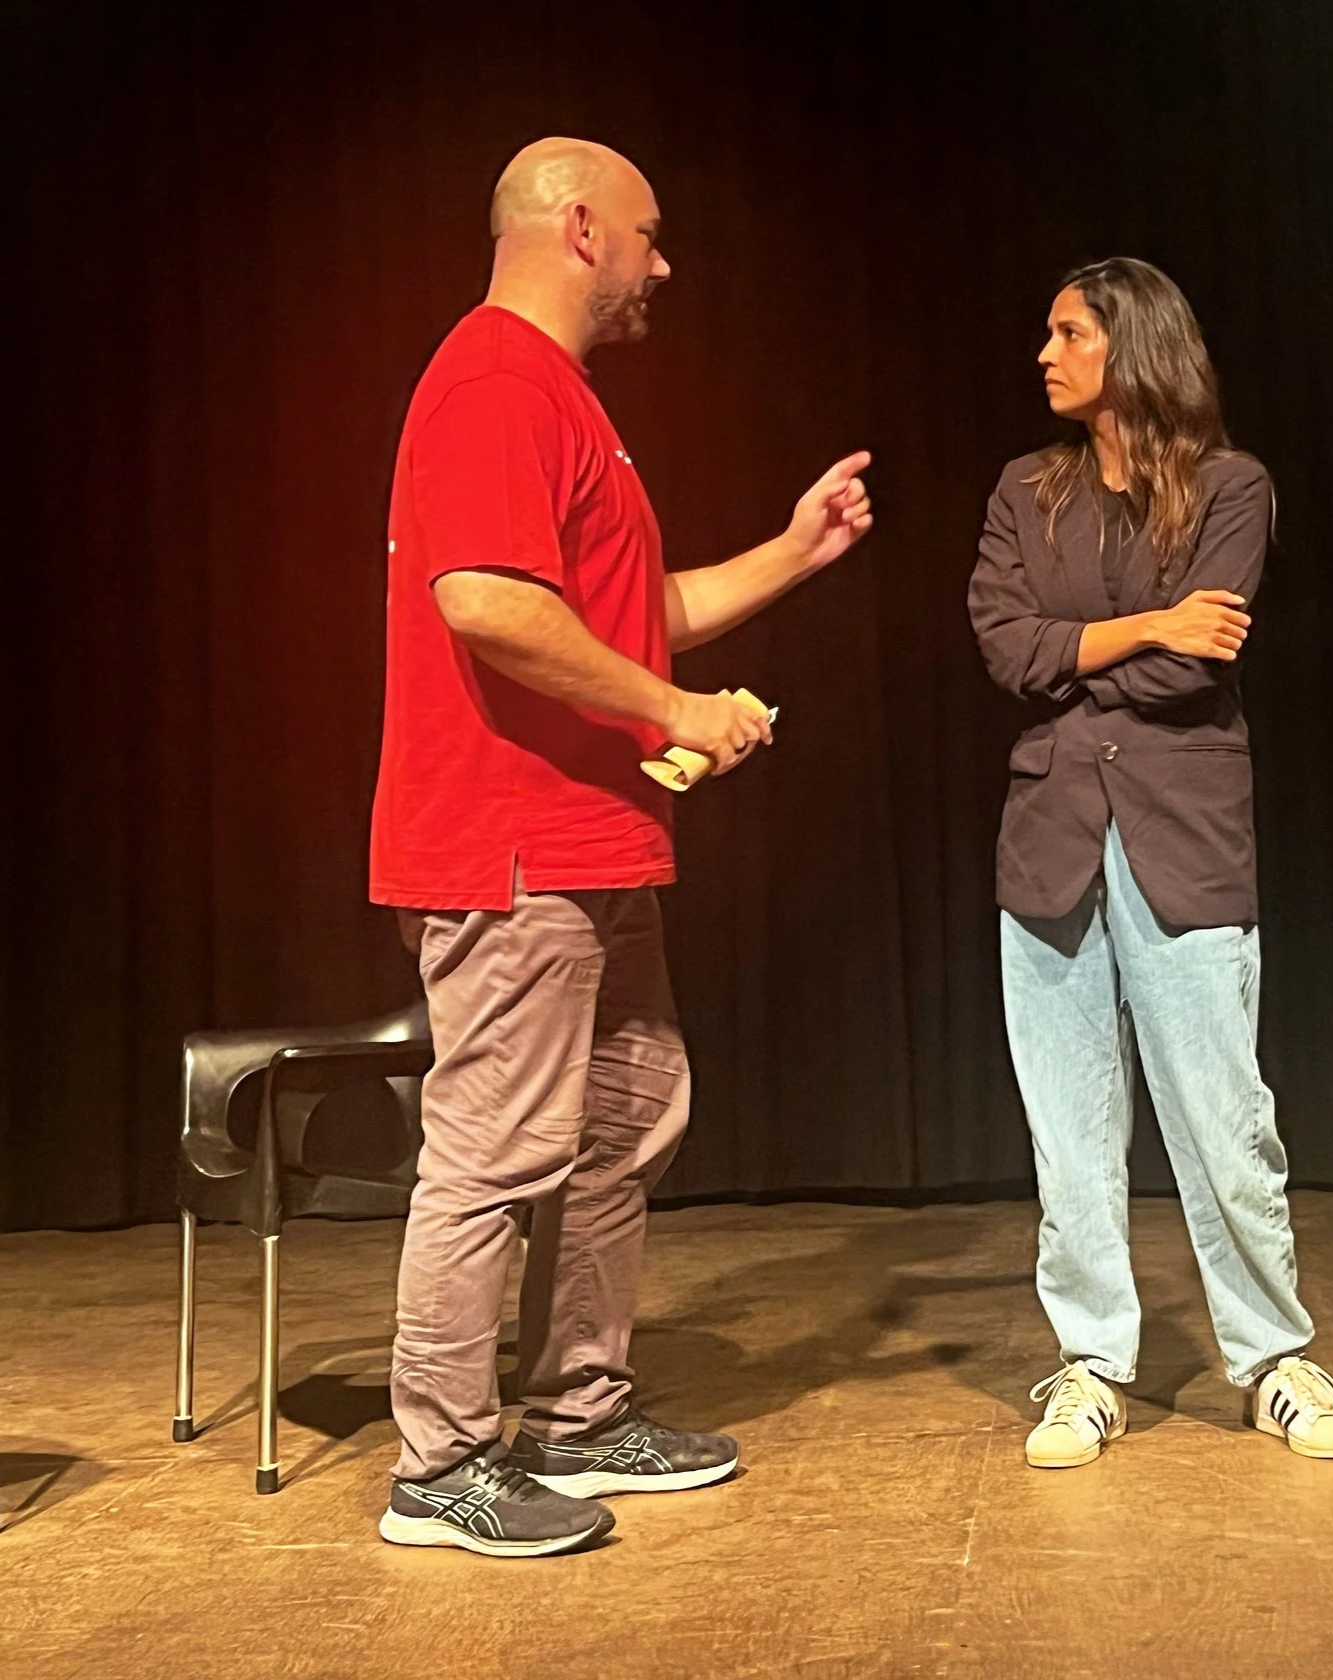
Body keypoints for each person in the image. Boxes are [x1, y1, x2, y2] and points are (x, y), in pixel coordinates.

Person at [370, 137, 874, 1555]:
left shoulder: (563, 397)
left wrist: (792, 553)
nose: (664, 264)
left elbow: (628, 610)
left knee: (623, 1120)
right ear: (580, 228)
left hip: (592, 844)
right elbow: (485, 600)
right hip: (509, 842)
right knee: (495, 1151)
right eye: (649, 236)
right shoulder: (492, 377)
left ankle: (580, 1415)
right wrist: (673, 711)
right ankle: (441, 1467)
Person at [968, 258, 1333, 1470]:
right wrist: (1145, 624)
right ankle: (1090, 1364)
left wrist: (1085, 653)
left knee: (1223, 1118)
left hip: (1182, 835)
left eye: (1068, 332)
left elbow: (1198, 666)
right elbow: (1004, 647)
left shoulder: (1231, 486)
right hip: (1051, 841)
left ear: (1131, 345)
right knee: (1070, 1130)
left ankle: (1273, 1355)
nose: (1044, 353)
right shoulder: (1024, 490)